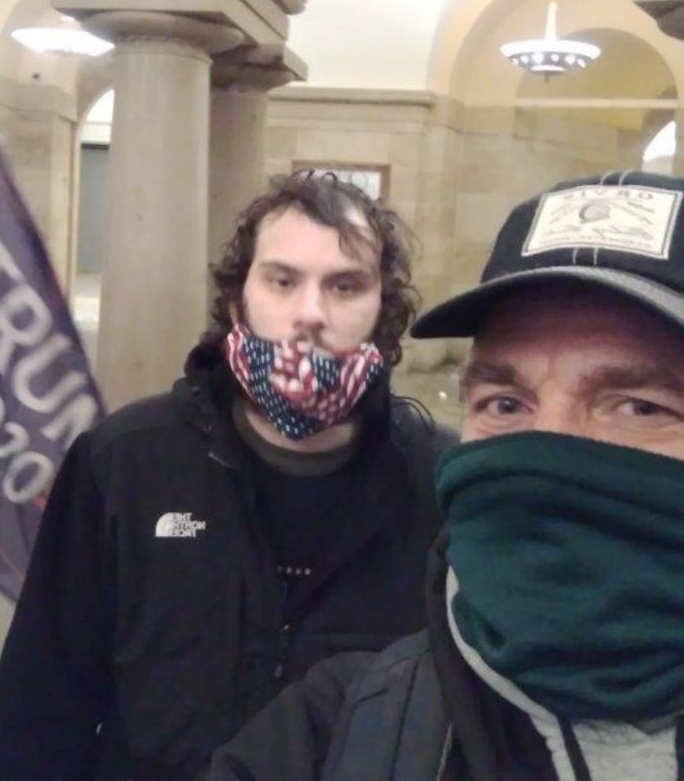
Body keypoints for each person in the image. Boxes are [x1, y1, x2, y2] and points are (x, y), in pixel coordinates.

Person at [0, 173, 455, 781]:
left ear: (383, 309)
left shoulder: (441, 484)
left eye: (346, 285)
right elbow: (41, 701)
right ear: (237, 300)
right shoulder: (125, 461)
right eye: (283, 280)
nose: (310, 313)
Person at [205, 169, 684, 781]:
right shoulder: (343, 727)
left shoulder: (419, 463)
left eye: (640, 407)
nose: (546, 449)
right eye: (506, 404)